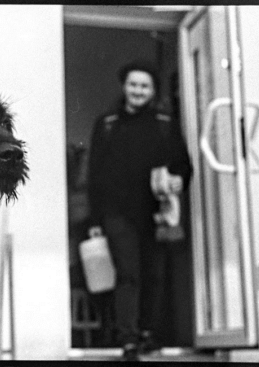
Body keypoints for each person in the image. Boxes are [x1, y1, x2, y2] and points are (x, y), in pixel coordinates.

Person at [87, 62, 192, 361]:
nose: (138, 91)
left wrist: (176, 179)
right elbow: (94, 175)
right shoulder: (106, 123)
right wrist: (96, 220)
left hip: (156, 212)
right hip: (117, 212)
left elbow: (184, 166)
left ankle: (147, 333)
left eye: (144, 86)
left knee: (154, 274)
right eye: (133, 84)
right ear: (124, 86)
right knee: (128, 273)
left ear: (153, 90)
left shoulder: (164, 122)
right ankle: (129, 339)